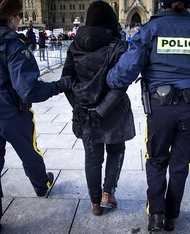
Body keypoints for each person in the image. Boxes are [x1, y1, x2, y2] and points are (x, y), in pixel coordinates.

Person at [107, 0, 190, 231]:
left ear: (162, 3)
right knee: (180, 164)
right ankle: (171, 216)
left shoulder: (150, 31)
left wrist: (108, 79)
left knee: (156, 160)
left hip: (160, 108)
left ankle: (156, 213)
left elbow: (125, 72)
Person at [0, 0, 72, 234]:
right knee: (29, 153)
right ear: (11, 17)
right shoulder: (13, 46)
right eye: (20, 15)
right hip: (10, 114)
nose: (21, 19)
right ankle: (42, 185)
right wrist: (59, 85)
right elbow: (29, 91)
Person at [62, 1, 135, 216]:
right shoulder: (118, 46)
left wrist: (79, 106)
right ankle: (107, 194)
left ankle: (94, 203)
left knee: (92, 156)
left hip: (86, 111)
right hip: (114, 110)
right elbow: (120, 85)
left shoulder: (74, 45)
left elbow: (66, 80)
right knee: (116, 150)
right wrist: (102, 109)